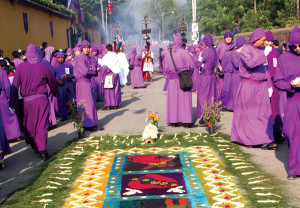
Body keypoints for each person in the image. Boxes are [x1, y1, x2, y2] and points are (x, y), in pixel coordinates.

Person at [10, 43, 59, 161]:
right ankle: (42, 149)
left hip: (27, 102)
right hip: (41, 100)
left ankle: (37, 146)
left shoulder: (21, 68)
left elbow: (15, 85)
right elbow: (52, 81)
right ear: (37, 53)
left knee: (30, 124)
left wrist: (12, 102)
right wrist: (55, 93)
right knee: (41, 124)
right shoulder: (42, 67)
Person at [231, 28, 276, 150]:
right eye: (263, 40)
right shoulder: (247, 49)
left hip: (261, 86)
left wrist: (269, 85)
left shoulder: (262, 50)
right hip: (249, 85)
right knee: (250, 114)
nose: (265, 43)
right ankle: (249, 138)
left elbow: (265, 69)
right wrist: (263, 55)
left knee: (263, 113)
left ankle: (264, 138)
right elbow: (250, 64)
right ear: (256, 39)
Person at [274, 26, 300, 180]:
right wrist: (291, 85)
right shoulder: (284, 58)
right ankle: (295, 167)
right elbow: (278, 81)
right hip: (293, 100)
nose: (297, 49)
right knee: (292, 134)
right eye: (294, 46)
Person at [163, 34, 195, 128]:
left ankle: (173, 121)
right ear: (181, 42)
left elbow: (165, 68)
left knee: (173, 101)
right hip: (183, 79)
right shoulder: (184, 52)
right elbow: (191, 66)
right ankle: (187, 121)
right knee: (184, 100)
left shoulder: (168, 54)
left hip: (172, 80)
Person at [74, 40, 100, 131]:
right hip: (82, 83)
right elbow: (85, 71)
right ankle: (87, 124)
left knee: (91, 102)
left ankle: (92, 122)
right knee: (86, 103)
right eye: (85, 47)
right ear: (82, 49)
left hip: (88, 82)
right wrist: (94, 70)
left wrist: (94, 69)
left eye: (88, 47)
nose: (87, 49)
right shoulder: (80, 57)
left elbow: (95, 65)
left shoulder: (89, 56)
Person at [265, 31, 284, 143]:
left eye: (271, 41)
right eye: (267, 41)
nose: (269, 43)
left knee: (275, 108)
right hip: (264, 83)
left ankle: (276, 132)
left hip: (273, 83)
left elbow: (277, 68)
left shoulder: (275, 53)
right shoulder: (261, 52)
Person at [196, 34, 218, 125]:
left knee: (203, 96)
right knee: (211, 95)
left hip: (205, 76)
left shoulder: (205, 52)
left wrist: (200, 64)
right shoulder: (214, 52)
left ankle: (204, 115)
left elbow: (198, 63)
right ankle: (212, 114)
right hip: (212, 76)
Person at [0, 59, 23, 142]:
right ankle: (16, 135)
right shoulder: (2, 73)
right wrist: (10, 97)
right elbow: (7, 87)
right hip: (4, 98)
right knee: (11, 116)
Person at [53, 52, 76, 121]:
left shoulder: (68, 64)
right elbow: (52, 76)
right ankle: (63, 115)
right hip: (60, 86)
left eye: (62, 58)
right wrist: (57, 81)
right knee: (61, 100)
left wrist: (69, 76)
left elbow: (74, 73)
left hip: (68, 84)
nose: (60, 59)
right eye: (59, 58)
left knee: (71, 99)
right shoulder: (54, 66)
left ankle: (73, 113)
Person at [100, 44, 122, 110]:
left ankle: (109, 105)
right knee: (116, 89)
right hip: (115, 74)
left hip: (108, 75)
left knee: (108, 90)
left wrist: (102, 77)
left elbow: (103, 67)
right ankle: (115, 104)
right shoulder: (115, 55)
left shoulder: (105, 57)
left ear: (106, 49)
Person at [216, 30, 233, 103]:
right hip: (222, 68)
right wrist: (219, 66)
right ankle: (220, 101)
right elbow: (216, 57)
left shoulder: (233, 45)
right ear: (224, 38)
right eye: (227, 37)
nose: (228, 38)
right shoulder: (220, 46)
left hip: (231, 69)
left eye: (230, 37)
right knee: (222, 86)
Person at [230, 36, 247, 110]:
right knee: (236, 93)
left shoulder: (245, 53)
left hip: (243, 76)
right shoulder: (234, 53)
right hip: (236, 76)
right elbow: (236, 65)